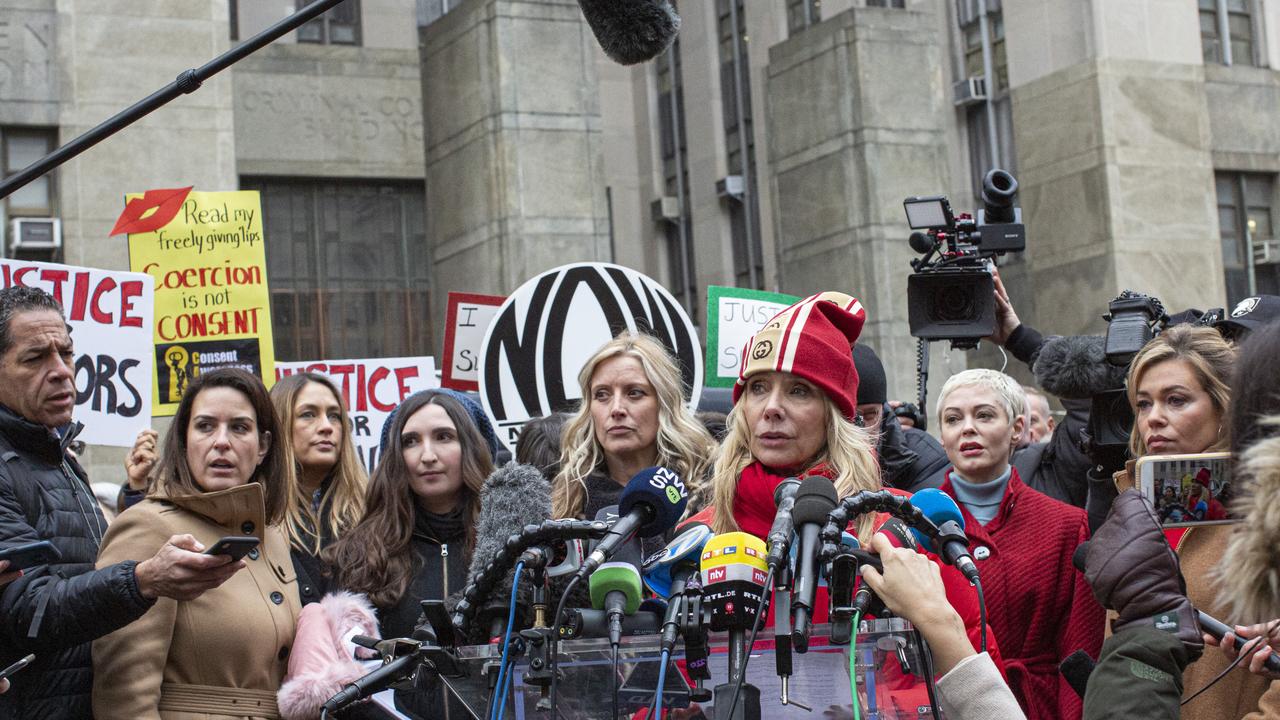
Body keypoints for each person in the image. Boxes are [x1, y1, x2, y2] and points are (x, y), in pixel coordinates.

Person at [681, 291, 1001, 703]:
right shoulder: (699, 535)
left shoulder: (901, 529)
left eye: (798, 391)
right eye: (758, 387)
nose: (772, 408)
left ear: (836, 413)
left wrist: (873, 706)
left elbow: (975, 666)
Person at [0, 286, 240, 720]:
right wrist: (145, 579)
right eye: (36, 358)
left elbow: (86, 572)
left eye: (66, 354)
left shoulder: (61, 460)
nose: (61, 372)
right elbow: (31, 610)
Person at [92, 369, 298, 719]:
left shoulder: (272, 533)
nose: (221, 441)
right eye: (205, 426)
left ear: (263, 446)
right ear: (184, 440)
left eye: (239, 427)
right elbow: (123, 694)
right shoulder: (146, 525)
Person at [1111, 324, 1268, 719]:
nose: (1154, 419)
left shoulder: (1265, 510)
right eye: (1143, 404)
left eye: (1176, 400)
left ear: (1223, 406)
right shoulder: (1131, 507)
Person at [934, 369, 1103, 720]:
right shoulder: (915, 523)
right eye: (953, 419)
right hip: (946, 706)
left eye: (984, 415)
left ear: (1017, 428)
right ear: (942, 436)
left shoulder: (1066, 525)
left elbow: (1081, 645)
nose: (967, 428)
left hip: (1039, 706)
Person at [325, 389, 495, 640]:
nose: (427, 456)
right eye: (410, 441)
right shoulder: (360, 555)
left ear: (473, 447)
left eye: (444, 437)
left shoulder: (508, 545)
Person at [551, 331, 715, 521]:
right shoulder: (563, 502)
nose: (616, 409)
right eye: (602, 395)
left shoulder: (712, 491)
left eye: (634, 393)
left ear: (664, 404)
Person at [269, 372, 367, 605]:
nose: (326, 427)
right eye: (308, 415)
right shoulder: (257, 517)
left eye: (334, 416)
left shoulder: (371, 513)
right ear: (279, 424)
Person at [852, 344, 949, 492]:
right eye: (848, 416)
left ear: (884, 410)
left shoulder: (925, 458)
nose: (861, 428)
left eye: (870, 415)